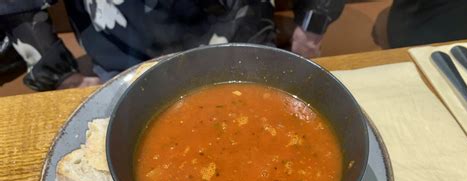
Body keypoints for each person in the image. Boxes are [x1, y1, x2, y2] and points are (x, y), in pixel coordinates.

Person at [0, 0, 346, 91]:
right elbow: (17, 7)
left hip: (244, 43)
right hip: (124, 62)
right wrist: (64, 77)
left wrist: (313, 25)